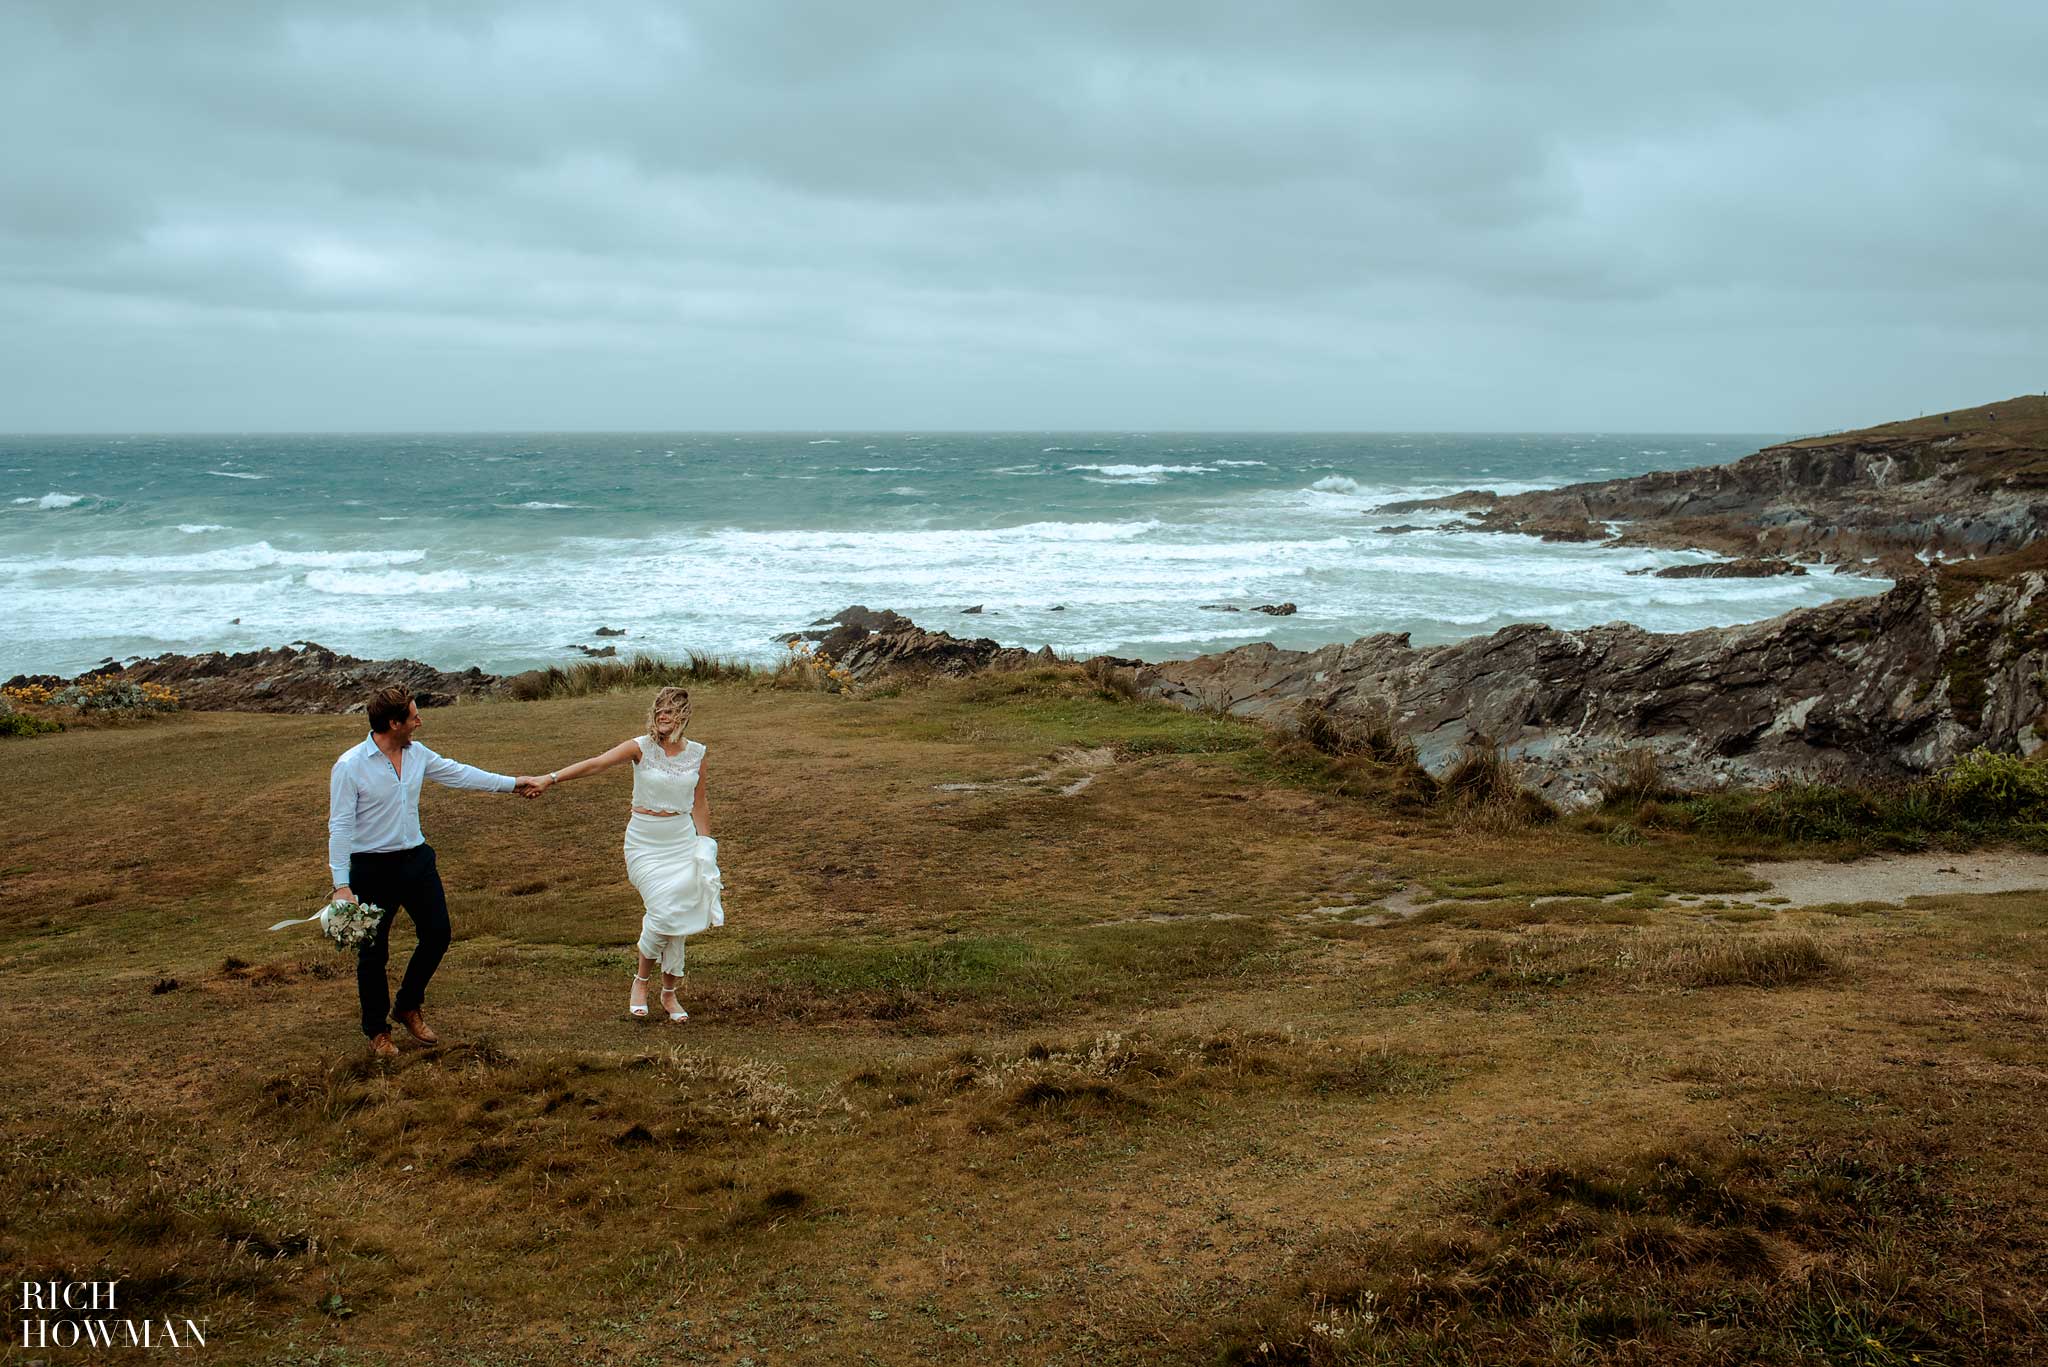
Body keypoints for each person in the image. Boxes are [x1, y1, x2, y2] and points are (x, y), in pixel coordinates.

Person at [328, 685, 549, 1058]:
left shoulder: (417, 754)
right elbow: (340, 826)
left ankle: (407, 1006)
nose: (420, 720)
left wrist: (513, 784)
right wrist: (341, 885)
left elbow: (460, 774)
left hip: (416, 859)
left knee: (438, 933)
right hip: (371, 867)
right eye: (414, 715)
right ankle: (377, 1031)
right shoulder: (350, 766)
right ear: (394, 723)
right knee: (373, 953)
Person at [529, 685, 722, 1021]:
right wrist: (551, 778)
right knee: (664, 911)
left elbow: (700, 803)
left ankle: (670, 994)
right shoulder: (641, 747)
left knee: (678, 915)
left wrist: (706, 845)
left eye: (671, 710)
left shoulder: (697, 754)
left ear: (684, 716)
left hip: (681, 842)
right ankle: (641, 981)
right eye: (659, 709)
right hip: (645, 844)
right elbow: (596, 764)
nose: (663, 715)